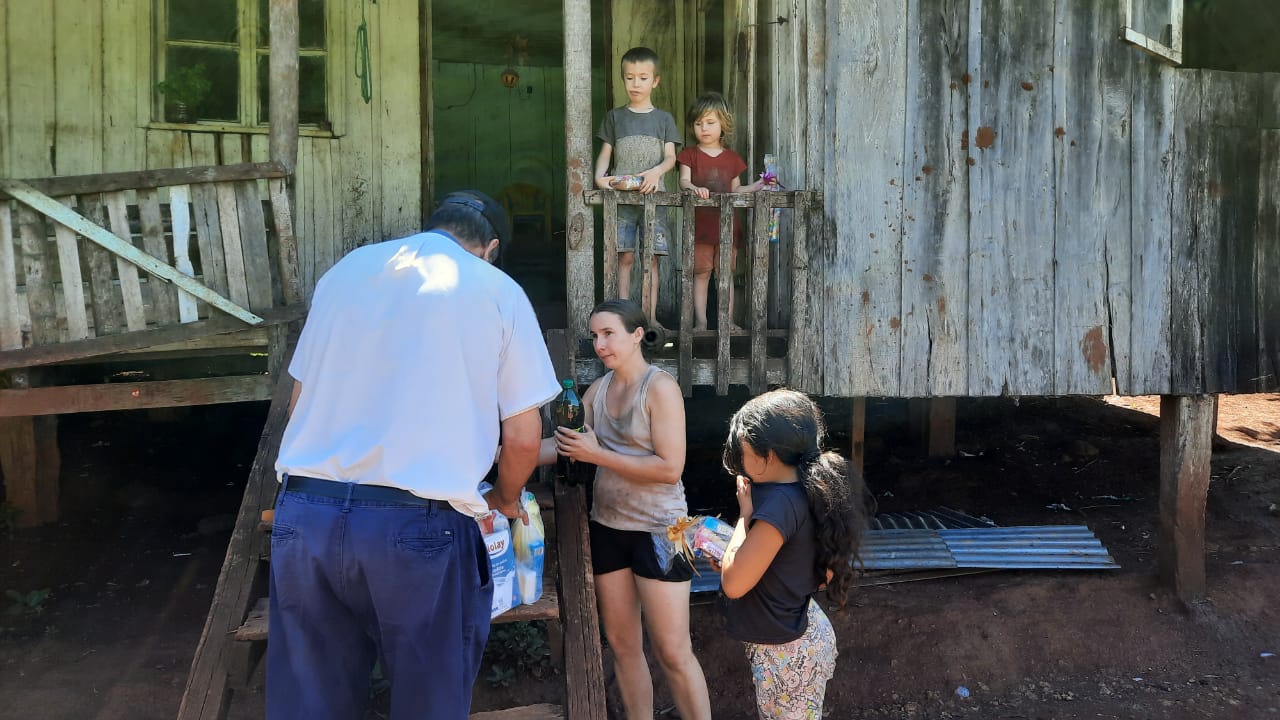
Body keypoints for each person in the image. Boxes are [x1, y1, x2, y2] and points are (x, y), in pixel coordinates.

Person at [268, 190, 560, 720]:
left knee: (308, 706)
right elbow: (522, 436)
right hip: (416, 528)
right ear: (490, 248)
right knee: (428, 703)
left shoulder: (346, 272)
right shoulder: (496, 289)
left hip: (306, 516)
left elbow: (298, 402)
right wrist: (504, 497)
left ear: (433, 225)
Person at [543, 298, 711, 720]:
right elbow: (566, 444)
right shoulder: (597, 391)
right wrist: (500, 454)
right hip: (608, 527)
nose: (600, 345)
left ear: (637, 335)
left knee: (673, 652)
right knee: (622, 646)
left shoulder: (660, 388)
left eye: (608, 334)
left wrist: (598, 455)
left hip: (663, 530)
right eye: (594, 336)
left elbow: (670, 469)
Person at [717, 389, 869, 719]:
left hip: (788, 654)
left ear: (768, 455)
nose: (741, 460)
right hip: (802, 636)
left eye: (744, 450)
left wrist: (744, 516)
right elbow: (813, 570)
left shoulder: (778, 506)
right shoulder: (809, 490)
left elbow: (733, 583)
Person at [594, 47, 682, 328]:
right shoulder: (614, 117)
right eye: (630, 77)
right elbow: (606, 154)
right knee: (625, 256)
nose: (636, 83)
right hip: (623, 201)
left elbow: (671, 157)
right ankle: (622, 316)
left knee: (651, 259)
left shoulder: (664, 119)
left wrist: (656, 172)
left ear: (655, 81)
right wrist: (600, 178)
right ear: (623, 79)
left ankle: (650, 317)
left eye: (643, 78)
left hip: (654, 200)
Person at [676, 91, 770, 332]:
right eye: (698, 123)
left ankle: (726, 322)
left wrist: (758, 185)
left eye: (710, 122)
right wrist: (694, 189)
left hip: (727, 228)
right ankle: (701, 322)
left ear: (723, 125)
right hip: (700, 228)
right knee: (701, 274)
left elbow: (736, 189)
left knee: (725, 274)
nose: (704, 128)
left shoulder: (732, 159)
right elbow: (684, 181)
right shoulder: (689, 154)